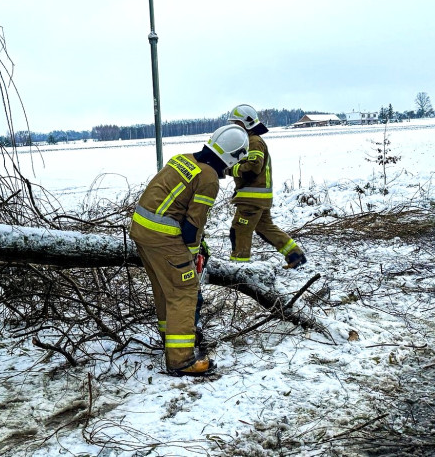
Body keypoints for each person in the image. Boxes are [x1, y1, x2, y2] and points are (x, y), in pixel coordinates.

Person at [130, 124, 249, 377]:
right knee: (184, 292)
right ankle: (182, 360)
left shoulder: (183, 160)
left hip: (142, 231)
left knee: (165, 289)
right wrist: (193, 254)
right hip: (164, 238)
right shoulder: (208, 178)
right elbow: (193, 225)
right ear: (234, 156)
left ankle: (171, 340)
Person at [226, 104, 307, 268]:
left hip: (251, 198)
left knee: (240, 230)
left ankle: (239, 268)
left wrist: (229, 169)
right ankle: (295, 255)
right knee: (265, 227)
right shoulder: (251, 141)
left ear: (245, 123)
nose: (233, 127)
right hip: (259, 197)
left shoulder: (253, 142)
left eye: (236, 123)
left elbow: (253, 168)